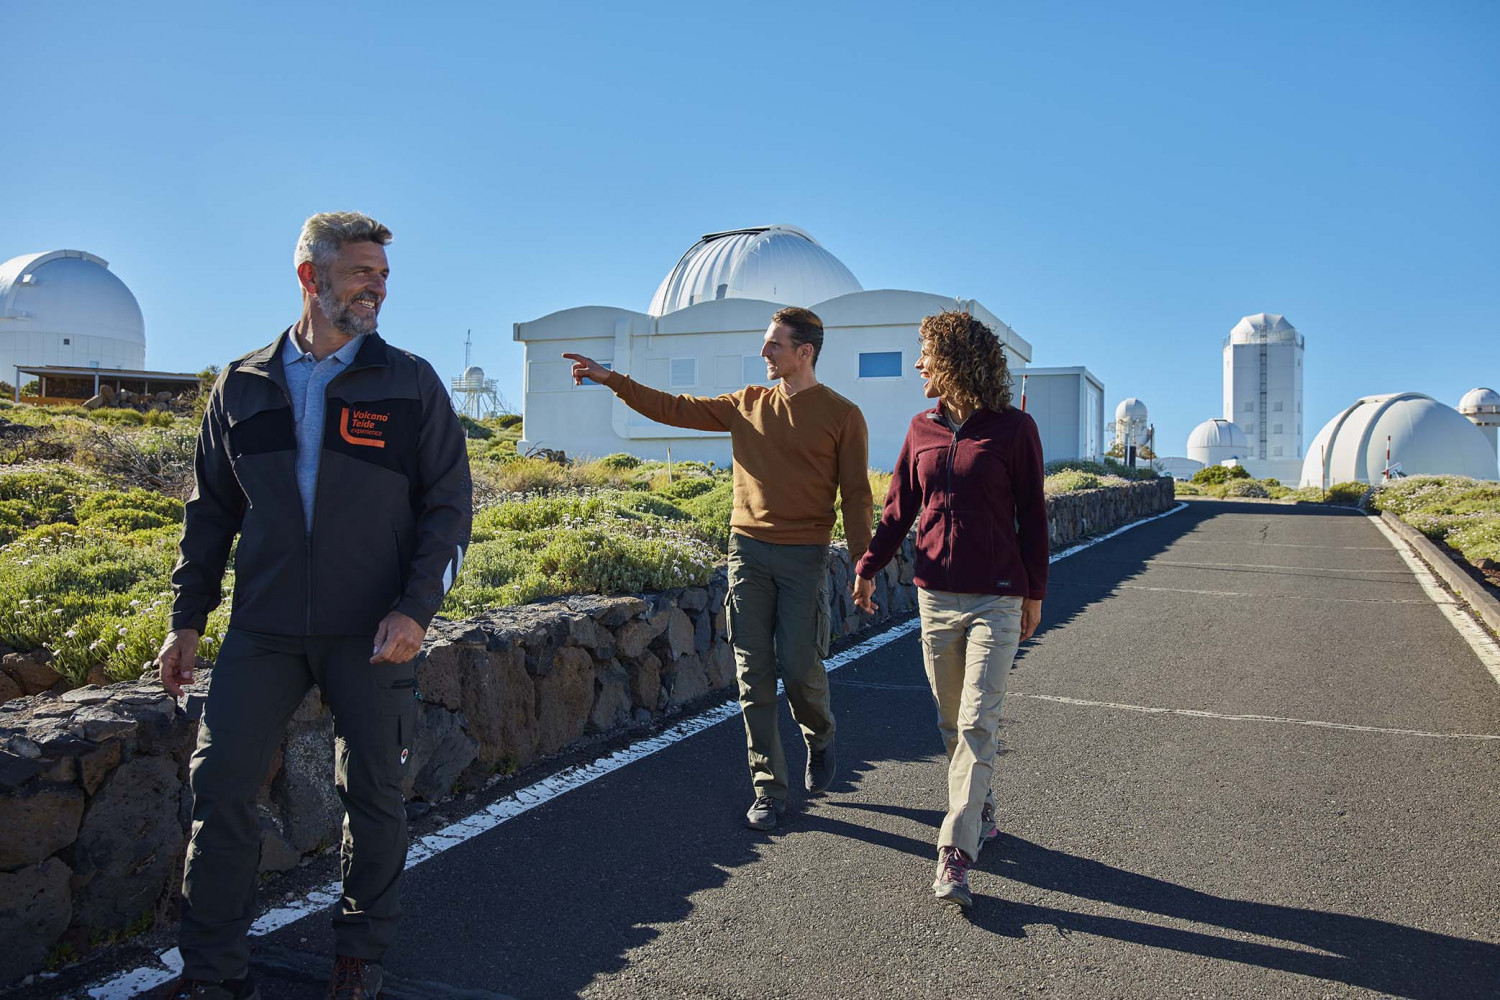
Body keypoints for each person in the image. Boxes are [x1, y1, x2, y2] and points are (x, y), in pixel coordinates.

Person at [156, 212, 472, 1000]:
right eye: (364, 273)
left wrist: (415, 610)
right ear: (311, 276)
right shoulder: (242, 385)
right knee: (220, 786)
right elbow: (209, 514)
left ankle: (358, 956)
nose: (378, 288)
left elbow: (450, 509)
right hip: (262, 630)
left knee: (372, 793)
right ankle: (212, 972)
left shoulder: (409, 382)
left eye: (384, 275)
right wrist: (186, 619)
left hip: (372, 630)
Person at [564, 306, 872, 831]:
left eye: (774, 344)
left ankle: (820, 737)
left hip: (804, 557)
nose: (764, 352)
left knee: (800, 669)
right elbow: (672, 408)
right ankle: (769, 788)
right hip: (747, 552)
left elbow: (858, 498)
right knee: (754, 676)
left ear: (805, 352)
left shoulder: (843, 415)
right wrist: (611, 378)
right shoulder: (746, 403)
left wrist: (864, 566)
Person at [851, 310, 1047, 907]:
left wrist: (1034, 592)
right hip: (935, 596)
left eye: (926, 355)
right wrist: (867, 567)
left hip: (997, 595)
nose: (918, 366)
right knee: (949, 720)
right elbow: (897, 510)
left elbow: (1034, 517)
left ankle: (955, 854)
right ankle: (979, 806)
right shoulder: (920, 430)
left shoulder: (1014, 430)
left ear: (956, 361)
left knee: (976, 721)